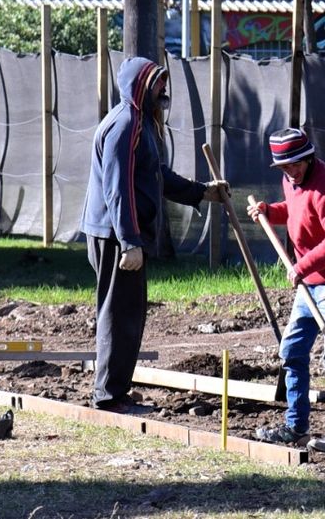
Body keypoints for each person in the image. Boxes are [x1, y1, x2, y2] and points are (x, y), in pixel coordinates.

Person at [82, 55, 226, 414]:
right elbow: (119, 190)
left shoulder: (141, 123)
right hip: (116, 237)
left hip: (121, 234)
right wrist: (130, 242)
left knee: (128, 312)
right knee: (119, 314)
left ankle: (115, 389)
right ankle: (109, 396)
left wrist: (202, 191)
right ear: (139, 86)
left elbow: (154, 174)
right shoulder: (126, 123)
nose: (164, 89)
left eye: (164, 82)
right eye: (157, 82)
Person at [246, 127, 325, 452]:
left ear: (309, 156)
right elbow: (297, 209)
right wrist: (271, 211)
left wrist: (301, 267)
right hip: (309, 285)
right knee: (292, 351)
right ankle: (295, 426)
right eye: (284, 167)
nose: (291, 171)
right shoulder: (292, 179)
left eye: (296, 164)